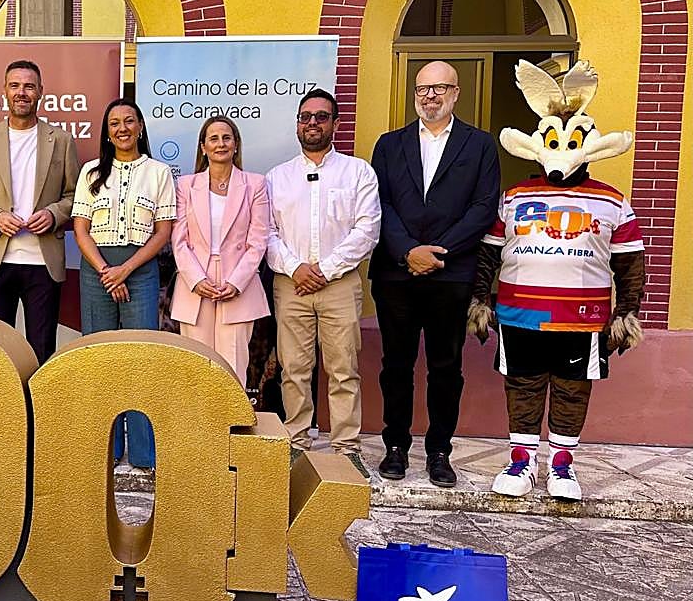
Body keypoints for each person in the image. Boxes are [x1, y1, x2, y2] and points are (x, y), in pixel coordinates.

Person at [469, 60, 645, 502]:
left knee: (571, 392)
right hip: (520, 314)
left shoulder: (612, 200)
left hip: (581, 319)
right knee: (522, 388)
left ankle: (563, 467)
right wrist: (479, 299)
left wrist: (626, 313)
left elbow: (629, 262)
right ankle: (522, 462)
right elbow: (490, 252)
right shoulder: (515, 195)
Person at [369, 61, 500, 487]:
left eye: (440, 88)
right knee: (397, 365)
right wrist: (408, 250)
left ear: (456, 93)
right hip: (397, 272)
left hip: (450, 272)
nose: (430, 96)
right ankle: (395, 447)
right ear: (414, 94)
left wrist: (438, 252)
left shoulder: (479, 145)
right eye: (423, 88)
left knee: (446, 366)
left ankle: (440, 451)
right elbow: (381, 205)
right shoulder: (389, 145)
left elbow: (483, 207)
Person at [265, 90, 380, 473]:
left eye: (321, 116)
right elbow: (267, 233)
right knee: (293, 367)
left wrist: (325, 270)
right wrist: (297, 268)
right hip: (290, 283)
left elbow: (367, 230)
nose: (312, 123)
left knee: (343, 367)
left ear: (335, 123)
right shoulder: (277, 177)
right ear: (297, 123)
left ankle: (346, 448)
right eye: (305, 117)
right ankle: (296, 441)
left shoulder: (358, 172)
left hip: (339, 284)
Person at [73, 97, 175, 469]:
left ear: (141, 127)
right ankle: (106, 447)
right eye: (114, 123)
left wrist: (126, 269)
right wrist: (106, 270)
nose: (122, 129)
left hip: (141, 269)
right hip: (97, 267)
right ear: (107, 131)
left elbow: (163, 232)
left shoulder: (159, 173)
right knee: (100, 359)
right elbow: (80, 230)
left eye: (129, 121)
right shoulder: (90, 172)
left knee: (139, 359)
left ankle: (144, 452)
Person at [0, 60, 78, 364]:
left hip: (43, 260)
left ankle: (37, 410)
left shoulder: (61, 140)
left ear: (40, 92)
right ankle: (2, 411)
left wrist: (53, 214)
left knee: (42, 348)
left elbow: (75, 196)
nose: (21, 92)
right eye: (15, 86)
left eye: (28, 86)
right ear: (4, 91)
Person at [171, 115, 270, 387]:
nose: (220, 144)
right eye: (213, 138)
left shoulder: (256, 184)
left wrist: (236, 283)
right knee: (196, 367)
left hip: (238, 284)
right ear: (203, 147)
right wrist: (197, 280)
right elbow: (179, 239)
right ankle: (198, 429)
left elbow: (258, 240)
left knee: (232, 365)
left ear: (236, 145)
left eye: (227, 138)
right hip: (195, 284)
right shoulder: (186, 186)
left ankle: (230, 427)